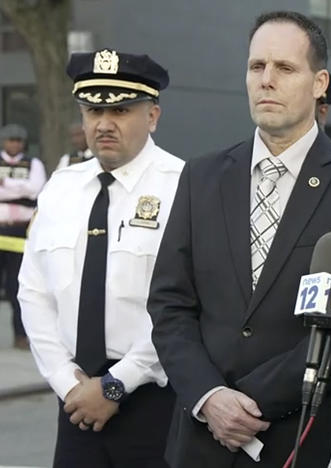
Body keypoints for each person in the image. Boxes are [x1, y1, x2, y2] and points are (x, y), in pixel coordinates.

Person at [147, 11, 331, 468]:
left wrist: (247, 404)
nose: (266, 80)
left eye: (284, 68)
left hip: (308, 438)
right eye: (256, 66)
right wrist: (209, 397)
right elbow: (169, 304)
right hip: (203, 441)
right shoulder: (201, 177)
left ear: (320, 82)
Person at [18, 49, 183, 468]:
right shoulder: (61, 186)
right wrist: (65, 380)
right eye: (93, 110)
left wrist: (115, 385)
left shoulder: (186, 187)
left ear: (153, 116)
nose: (104, 124)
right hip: (75, 399)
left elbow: (188, 304)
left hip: (153, 397)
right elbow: (34, 294)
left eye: (122, 110)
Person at [0, 123, 46, 350]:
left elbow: (36, 189)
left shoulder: (33, 163)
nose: (14, 144)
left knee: (18, 286)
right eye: (11, 140)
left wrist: (6, 184)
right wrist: (22, 189)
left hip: (21, 230)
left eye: (18, 140)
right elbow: (27, 189)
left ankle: (21, 335)